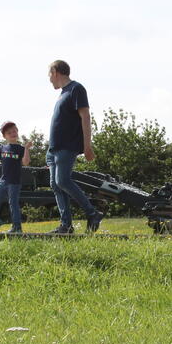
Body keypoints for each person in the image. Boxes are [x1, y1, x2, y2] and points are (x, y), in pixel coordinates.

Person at [46, 60, 103, 234]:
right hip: (54, 149)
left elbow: (85, 117)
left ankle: (93, 213)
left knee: (62, 180)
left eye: (49, 74)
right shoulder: (63, 93)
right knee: (56, 185)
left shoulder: (76, 89)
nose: (49, 79)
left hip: (67, 147)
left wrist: (87, 146)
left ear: (55, 71)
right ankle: (66, 225)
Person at [0, 121, 31, 232]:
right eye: (9, 132)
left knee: (13, 203)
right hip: (3, 180)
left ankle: (17, 228)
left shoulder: (21, 148)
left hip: (14, 182)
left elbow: (26, 162)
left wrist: (27, 149)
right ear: (4, 136)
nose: (12, 133)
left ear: (17, 131)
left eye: (14, 131)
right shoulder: (2, 148)